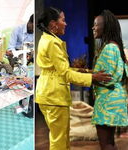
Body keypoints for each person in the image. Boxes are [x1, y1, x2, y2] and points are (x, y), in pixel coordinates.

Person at [36, 7, 112, 150]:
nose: (66, 24)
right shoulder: (52, 42)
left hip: (50, 94)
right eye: (63, 20)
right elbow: (65, 74)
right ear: (53, 24)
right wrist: (92, 78)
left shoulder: (48, 39)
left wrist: (84, 71)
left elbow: (59, 70)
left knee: (62, 137)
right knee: (59, 140)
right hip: (53, 96)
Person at [91, 10, 128, 150]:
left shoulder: (108, 48)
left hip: (107, 100)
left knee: (106, 144)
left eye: (96, 25)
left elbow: (106, 78)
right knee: (110, 142)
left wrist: (89, 78)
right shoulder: (116, 46)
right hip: (114, 99)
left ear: (105, 27)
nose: (93, 28)